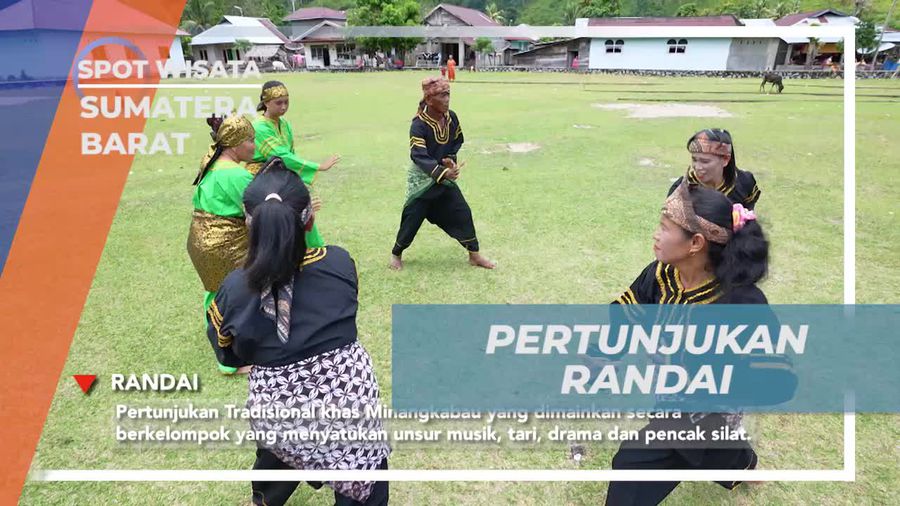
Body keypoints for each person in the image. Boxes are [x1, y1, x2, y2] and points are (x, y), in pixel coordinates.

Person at [207, 162, 391, 506]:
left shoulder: (233, 288)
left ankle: (264, 499)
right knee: (365, 471)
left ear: (249, 224)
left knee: (276, 453)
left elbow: (228, 353)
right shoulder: (338, 262)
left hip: (280, 410)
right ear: (309, 219)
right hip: (348, 402)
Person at [606, 181, 768, 505]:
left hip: (705, 412)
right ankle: (743, 464)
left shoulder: (740, 304)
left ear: (695, 243)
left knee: (630, 466)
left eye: (665, 229)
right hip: (672, 398)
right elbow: (625, 313)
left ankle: (737, 461)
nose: (656, 235)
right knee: (720, 454)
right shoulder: (661, 274)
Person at [389, 77, 494, 270]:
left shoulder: (451, 117)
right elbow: (418, 155)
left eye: (448, 94)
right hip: (423, 179)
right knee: (412, 218)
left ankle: (474, 254)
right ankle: (396, 253)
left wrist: (450, 159)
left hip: (443, 177)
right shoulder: (418, 125)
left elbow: (456, 140)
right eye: (441, 95)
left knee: (462, 212)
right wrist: (441, 172)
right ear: (429, 100)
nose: (447, 99)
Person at [186, 114, 257, 375]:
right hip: (224, 244)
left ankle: (225, 342)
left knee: (215, 292)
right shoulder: (236, 175)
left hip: (200, 239)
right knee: (234, 294)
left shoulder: (213, 160)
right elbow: (258, 215)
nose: (255, 146)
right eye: (250, 140)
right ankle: (230, 361)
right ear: (236, 144)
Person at [250, 80, 341, 247]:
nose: (283, 107)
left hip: (281, 176)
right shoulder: (259, 127)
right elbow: (280, 155)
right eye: (279, 103)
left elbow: (290, 155)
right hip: (263, 180)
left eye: (286, 102)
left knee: (304, 212)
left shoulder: (285, 124)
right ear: (265, 102)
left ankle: (313, 250)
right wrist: (318, 166)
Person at [668, 129, 761, 210]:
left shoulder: (745, 182)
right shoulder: (681, 188)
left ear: (725, 159)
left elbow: (748, 217)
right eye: (694, 159)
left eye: (705, 161)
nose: (697, 167)